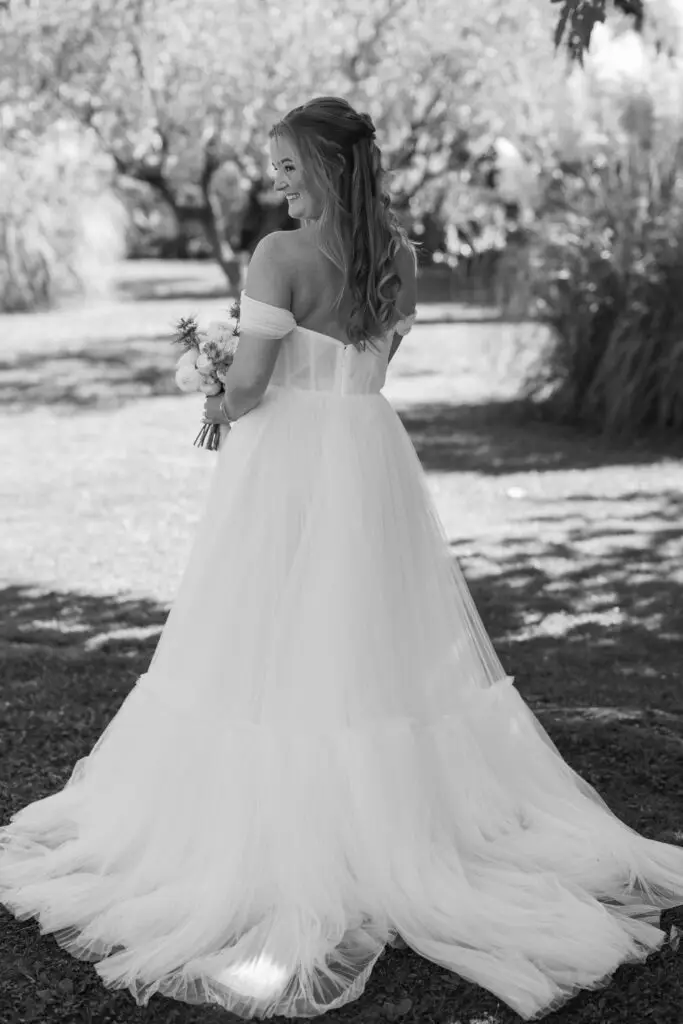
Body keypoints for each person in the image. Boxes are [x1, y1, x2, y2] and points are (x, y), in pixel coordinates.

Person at [0, 95, 682, 1023]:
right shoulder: (398, 256)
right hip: (367, 452)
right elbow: (374, 366)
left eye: (287, 169)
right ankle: (391, 816)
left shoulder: (278, 257)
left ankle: (292, 827)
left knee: (263, 616)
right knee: (367, 624)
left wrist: (213, 389)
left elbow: (252, 385)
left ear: (324, 168)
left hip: (286, 458)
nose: (275, 185)